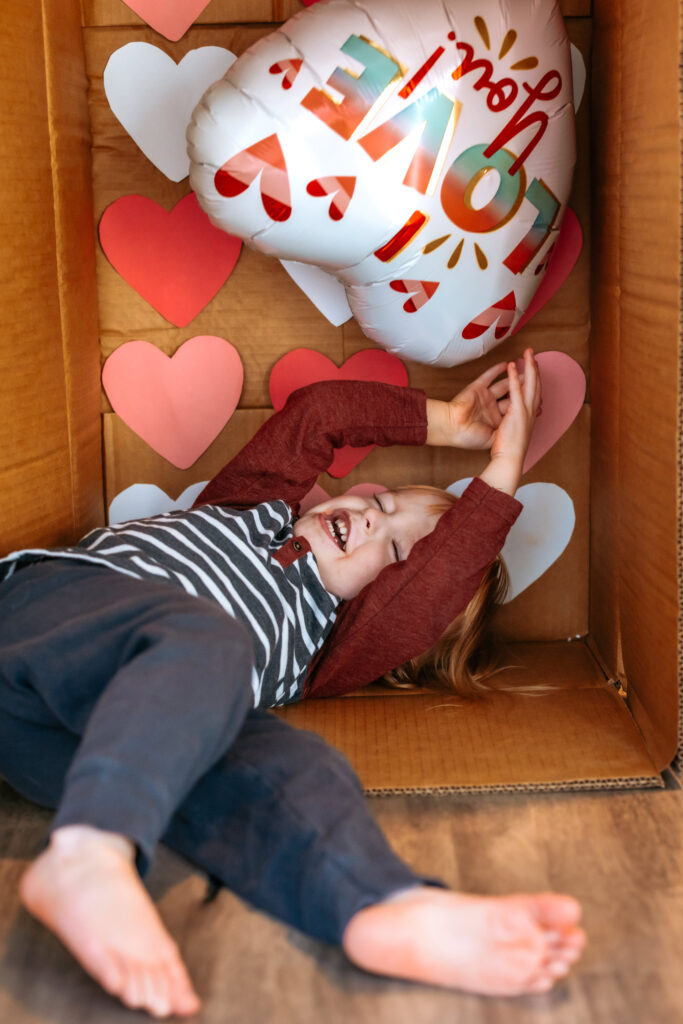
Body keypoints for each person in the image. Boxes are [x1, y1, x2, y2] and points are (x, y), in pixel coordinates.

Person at [0, 349, 585, 1018]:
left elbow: (430, 589)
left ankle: (380, 906)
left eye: (392, 550)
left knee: (296, 766)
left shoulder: (324, 647)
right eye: (383, 503)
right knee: (205, 637)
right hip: (40, 633)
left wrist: (499, 480)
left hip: (72, 751)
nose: (371, 517)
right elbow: (319, 415)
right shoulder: (249, 504)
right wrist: (451, 424)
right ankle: (94, 852)